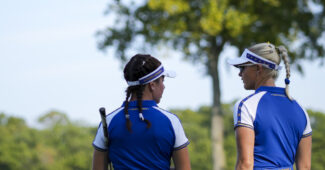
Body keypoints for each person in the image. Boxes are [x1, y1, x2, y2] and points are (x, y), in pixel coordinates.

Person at [92, 54, 191, 170]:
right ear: (152, 85)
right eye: (162, 81)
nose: (164, 87)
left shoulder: (108, 122)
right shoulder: (172, 121)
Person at [227, 43, 312, 170]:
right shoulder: (300, 109)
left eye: (243, 67)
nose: (240, 74)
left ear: (258, 68)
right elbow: (305, 167)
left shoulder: (246, 106)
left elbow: (245, 165)